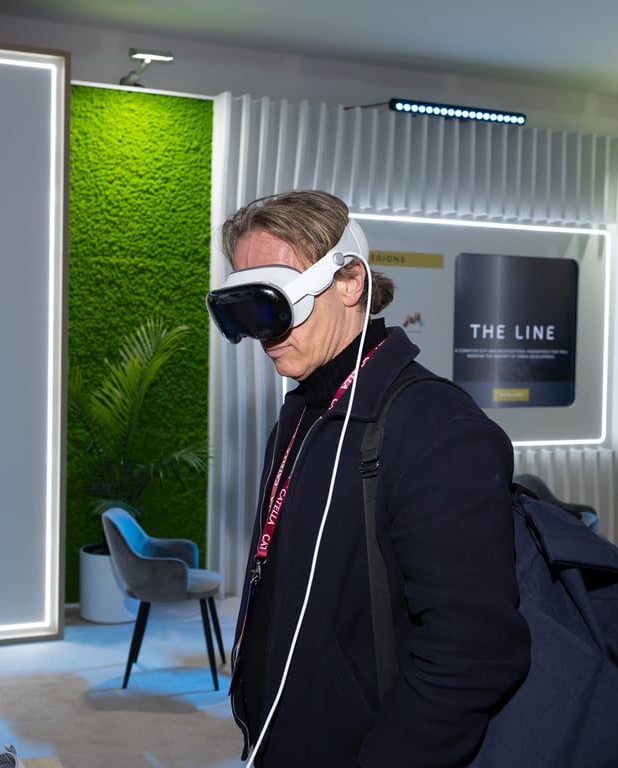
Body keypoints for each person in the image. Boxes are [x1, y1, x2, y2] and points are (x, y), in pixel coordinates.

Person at [207, 190, 531, 767]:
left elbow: (472, 650)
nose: (263, 334)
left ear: (350, 281)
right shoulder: (300, 413)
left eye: (276, 303)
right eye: (247, 310)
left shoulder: (438, 429)